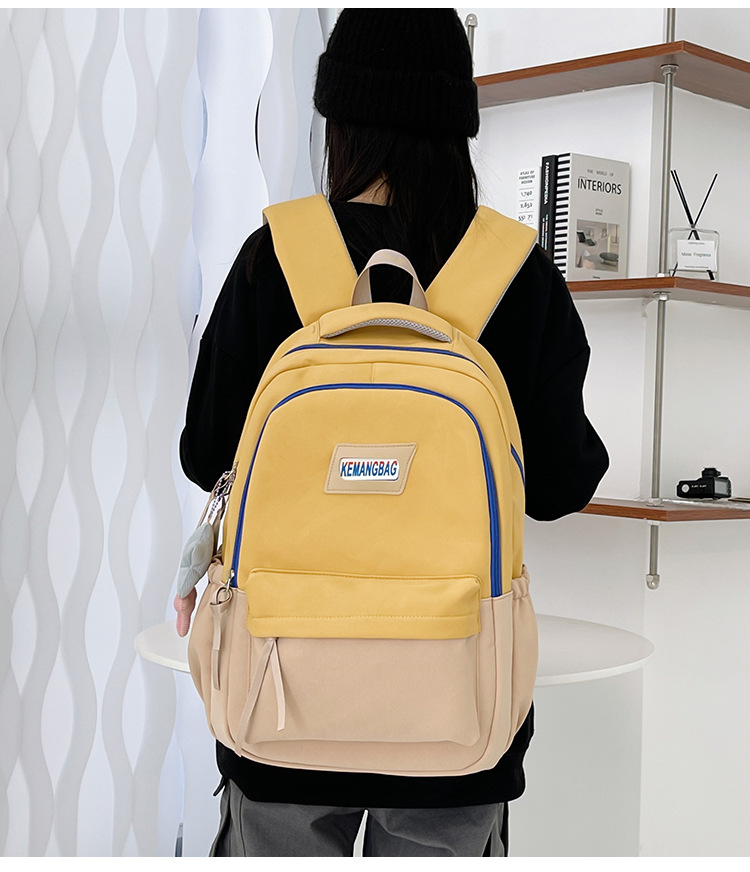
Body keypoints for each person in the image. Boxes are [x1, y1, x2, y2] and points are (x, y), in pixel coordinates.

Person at [175, 9, 609, 858]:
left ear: (337, 118)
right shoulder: (516, 271)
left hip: (279, 710)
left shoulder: (275, 255)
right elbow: (562, 486)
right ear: (458, 122)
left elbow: (206, 454)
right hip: (458, 720)